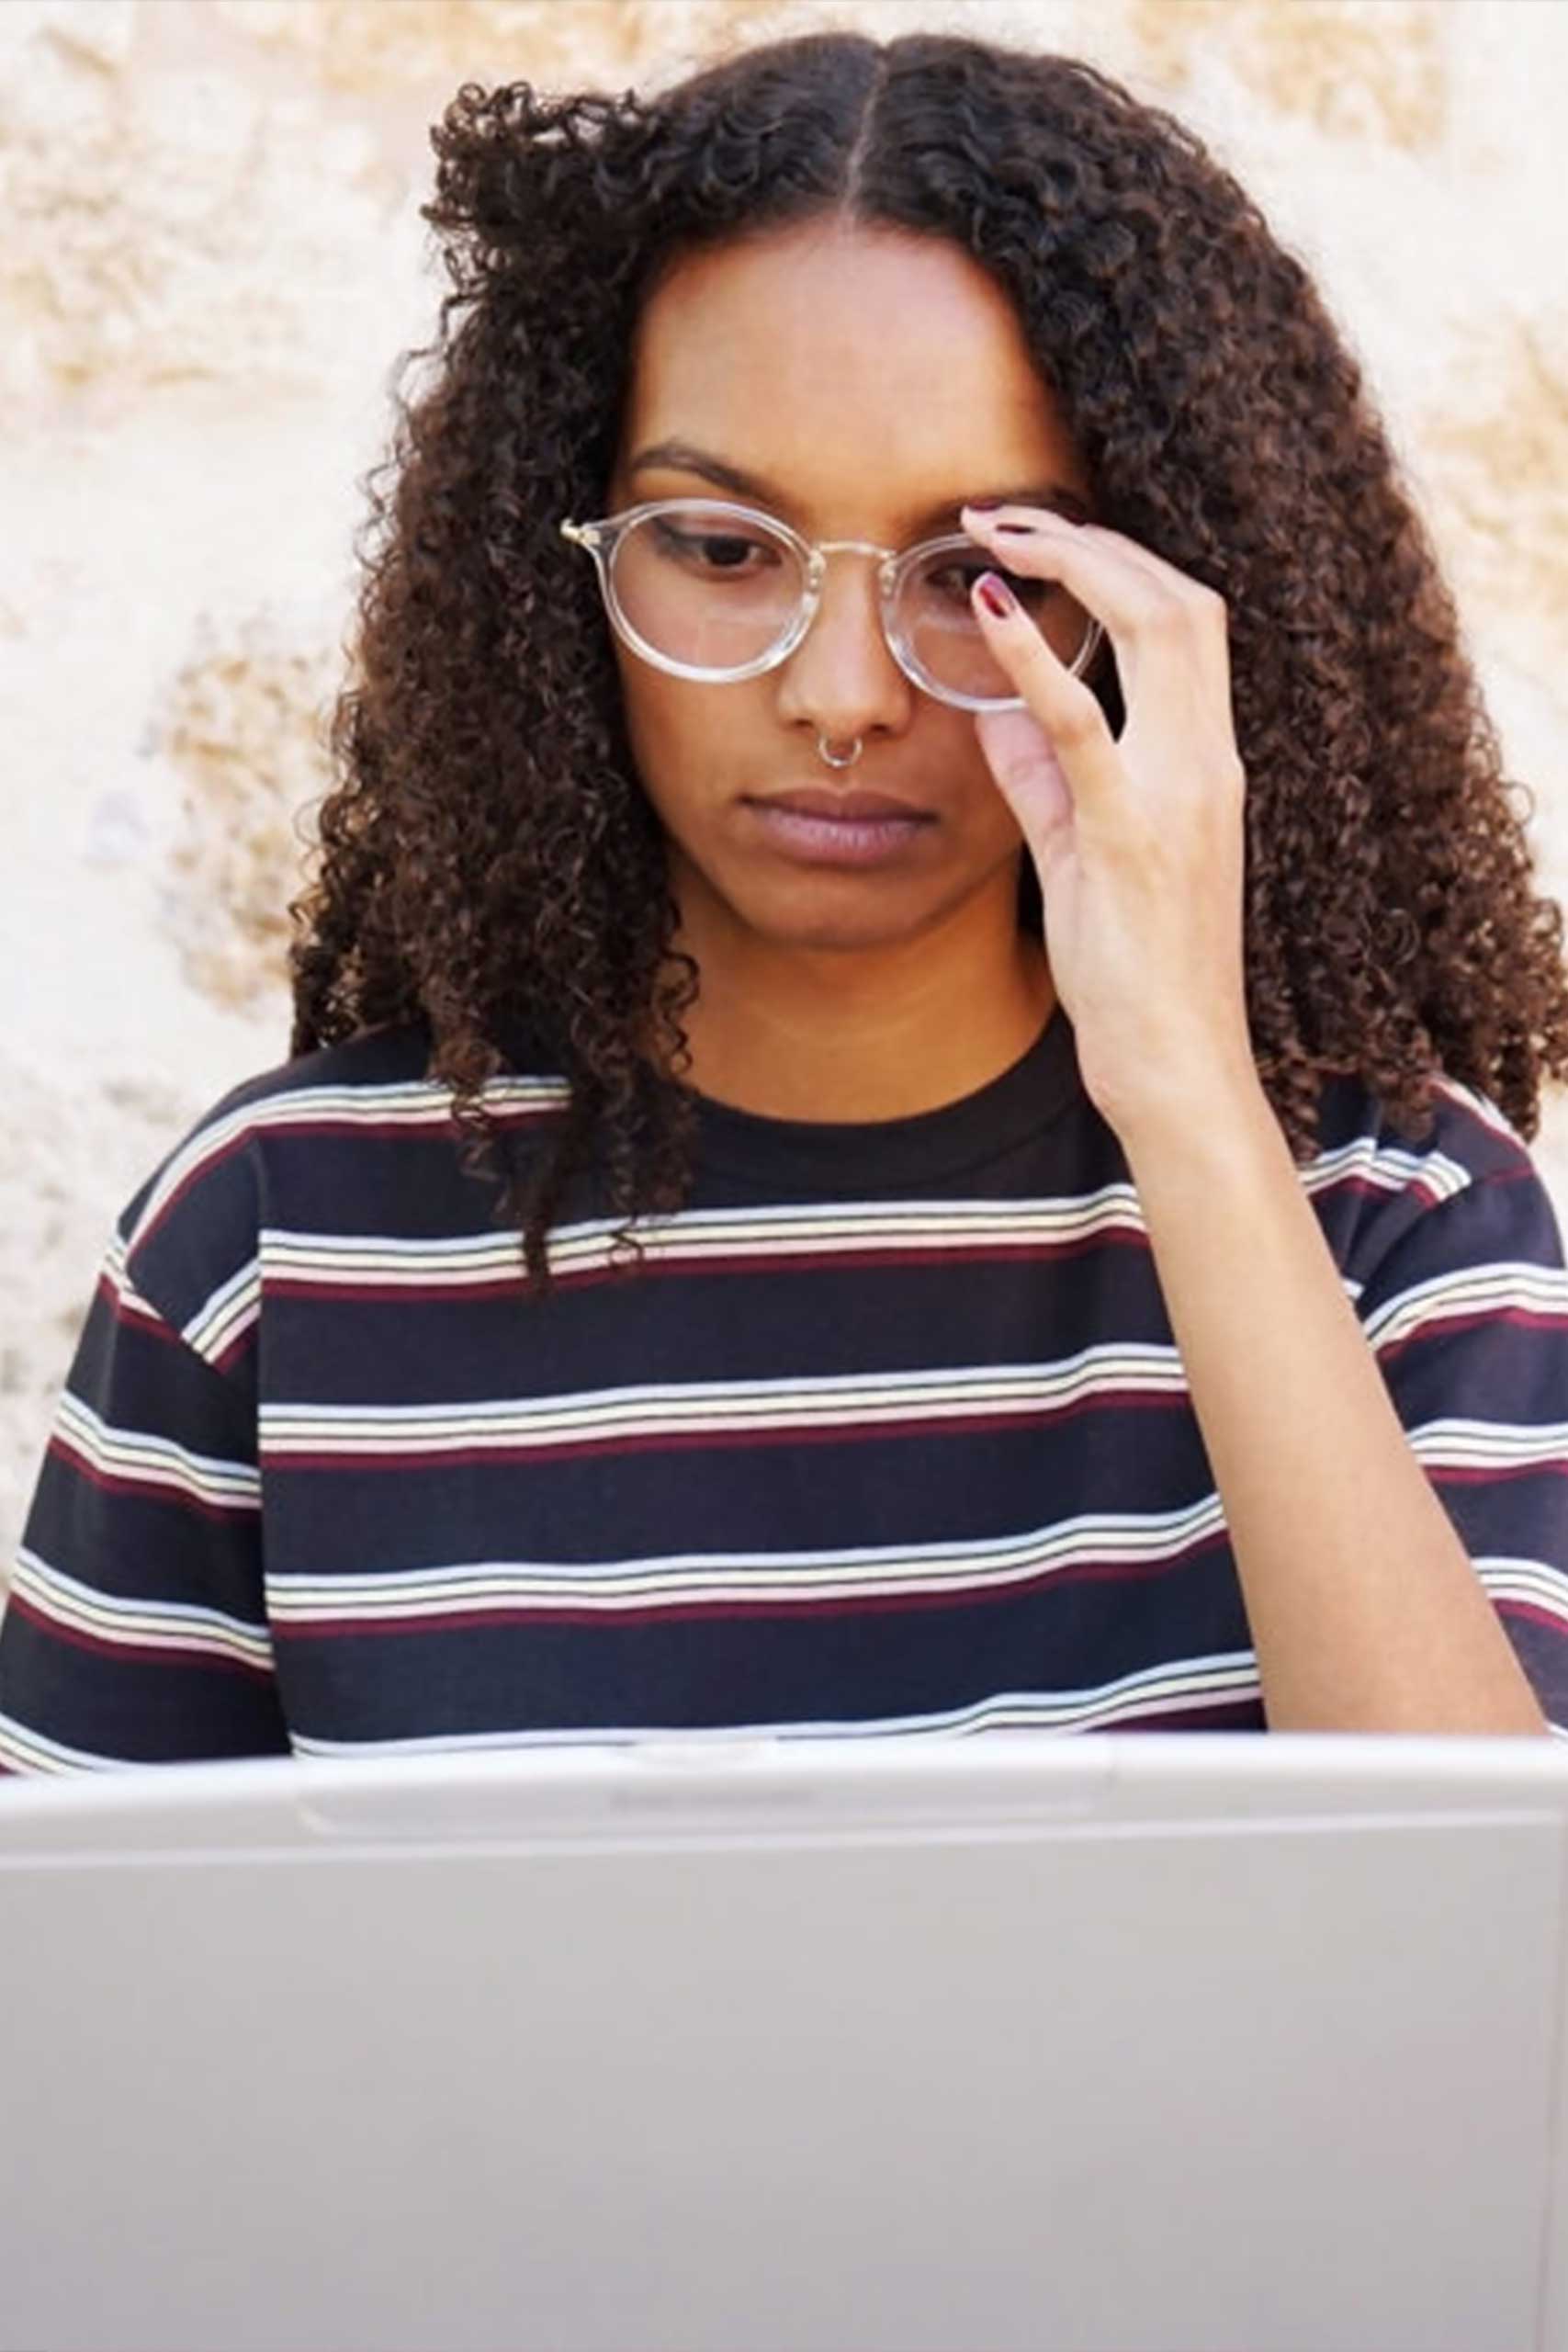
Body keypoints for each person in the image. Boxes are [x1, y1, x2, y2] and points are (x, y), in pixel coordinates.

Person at [3, 27, 1567, 1775]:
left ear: (1160, 618)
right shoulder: (274, 1247)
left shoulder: (1393, 1223)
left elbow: (1483, 1970)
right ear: (558, 557)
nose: (842, 694)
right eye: (725, 552)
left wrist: (1192, 1099)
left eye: (980, 574)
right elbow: (79, 2014)